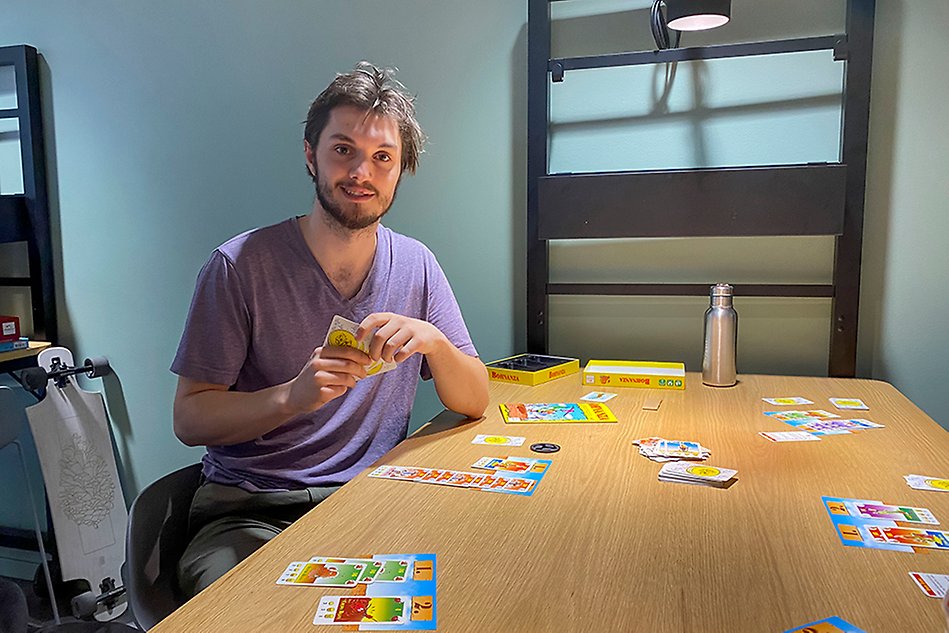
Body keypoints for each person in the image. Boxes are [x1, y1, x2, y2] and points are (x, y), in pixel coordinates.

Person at [170, 62, 489, 596]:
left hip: (372, 502)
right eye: (343, 149)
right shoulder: (238, 266)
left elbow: (476, 398)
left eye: (382, 158)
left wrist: (433, 340)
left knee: (480, 583)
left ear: (400, 169)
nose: (361, 172)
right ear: (309, 154)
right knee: (260, 615)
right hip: (252, 511)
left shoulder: (417, 265)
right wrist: (291, 398)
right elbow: (189, 418)